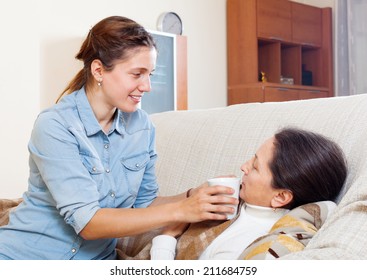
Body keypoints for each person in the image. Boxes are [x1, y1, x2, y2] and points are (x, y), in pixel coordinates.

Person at [0, 16, 237, 260]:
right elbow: (88, 222)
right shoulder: (55, 125)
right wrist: (181, 210)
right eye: (137, 74)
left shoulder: (142, 127)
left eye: (150, 75)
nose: (147, 86)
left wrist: (194, 196)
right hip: (25, 258)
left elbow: (145, 204)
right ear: (99, 70)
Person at [149, 127, 348, 260]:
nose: (243, 167)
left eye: (255, 167)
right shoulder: (236, 204)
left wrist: (167, 237)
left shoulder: (244, 243)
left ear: (280, 197)